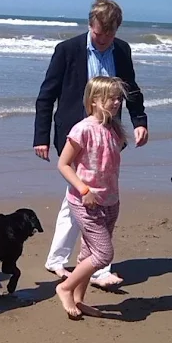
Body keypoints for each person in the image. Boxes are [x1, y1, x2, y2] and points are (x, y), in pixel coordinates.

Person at [34, 0, 148, 288]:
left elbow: (131, 89)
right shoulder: (67, 50)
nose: (103, 40)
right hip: (74, 133)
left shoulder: (121, 50)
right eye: (99, 33)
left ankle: (58, 260)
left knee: (80, 194)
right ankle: (98, 267)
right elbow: (46, 96)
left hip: (108, 133)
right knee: (88, 194)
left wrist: (139, 122)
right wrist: (41, 137)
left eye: (110, 34)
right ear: (90, 25)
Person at [55, 76, 126, 318]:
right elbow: (63, 164)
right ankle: (65, 287)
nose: (116, 103)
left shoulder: (114, 129)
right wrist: (84, 189)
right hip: (85, 202)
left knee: (88, 252)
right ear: (94, 100)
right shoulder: (82, 129)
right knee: (104, 254)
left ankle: (79, 299)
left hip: (110, 200)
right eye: (111, 98)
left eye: (119, 98)